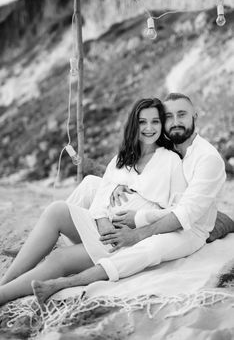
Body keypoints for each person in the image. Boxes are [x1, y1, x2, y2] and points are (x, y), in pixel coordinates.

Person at [29, 92, 227, 305]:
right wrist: (118, 185)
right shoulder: (172, 143)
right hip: (162, 211)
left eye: (182, 115)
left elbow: (183, 213)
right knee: (90, 184)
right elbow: (143, 171)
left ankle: (65, 283)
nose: (175, 122)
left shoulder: (206, 158)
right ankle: (45, 240)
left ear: (195, 116)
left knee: (150, 248)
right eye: (169, 116)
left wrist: (138, 227)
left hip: (188, 228)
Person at [0, 98, 188, 306]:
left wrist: (140, 220)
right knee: (57, 210)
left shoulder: (171, 160)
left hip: (125, 240)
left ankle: (4, 294)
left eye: (155, 122)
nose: (149, 128)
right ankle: (6, 281)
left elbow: (178, 209)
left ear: (162, 125)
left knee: (60, 258)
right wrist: (102, 220)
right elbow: (100, 198)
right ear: (134, 125)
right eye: (143, 122)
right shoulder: (122, 159)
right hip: (102, 227)